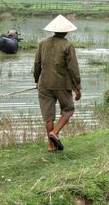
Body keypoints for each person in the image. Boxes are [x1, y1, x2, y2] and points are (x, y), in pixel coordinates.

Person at [34, 14, 82, 152]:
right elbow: (73, 69)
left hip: (44, 84)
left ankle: (51, 145)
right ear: (66, 31)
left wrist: (37, 81)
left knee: (48, 116)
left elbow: (37, 64)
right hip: (62, 84)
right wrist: (77, 88)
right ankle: (54, 133)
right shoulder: (68, 45)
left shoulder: (42, 43)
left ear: (53, 30)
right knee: (68, 110)